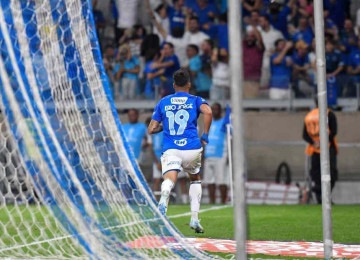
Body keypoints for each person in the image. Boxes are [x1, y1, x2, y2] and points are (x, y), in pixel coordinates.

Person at [148, 68, 212, 233]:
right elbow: (208, 112)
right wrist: (205, 134)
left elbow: (151, 128)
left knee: (169, 179)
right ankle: (195, 219)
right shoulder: (196, 100)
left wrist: (164, 127)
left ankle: (163, 199)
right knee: (195, 179)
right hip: (192, 148)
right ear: (189, 84)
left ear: (174, 84)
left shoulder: (163, 101)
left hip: (171, 149)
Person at [303, 100, 338, 204]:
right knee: (331, 173)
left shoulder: (309, 116)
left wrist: (314, 142)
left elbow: (304, 135)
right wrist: (322, 141)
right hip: (328, 148)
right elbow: (334, 131)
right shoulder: (329, 114)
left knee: (316, 174)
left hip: (314, 149)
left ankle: (320, 196)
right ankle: (325, 196)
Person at [203, 103, 228, 204]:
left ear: (220, 111)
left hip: (220, 154)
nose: (214, 111)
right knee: (209, 181)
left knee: (221, 180)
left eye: (216, 109)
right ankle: (211, 202)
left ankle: (222, 202)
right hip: (209, 155)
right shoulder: (209, 122)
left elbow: (231, 137)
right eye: (212, 109)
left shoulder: (224, 123)